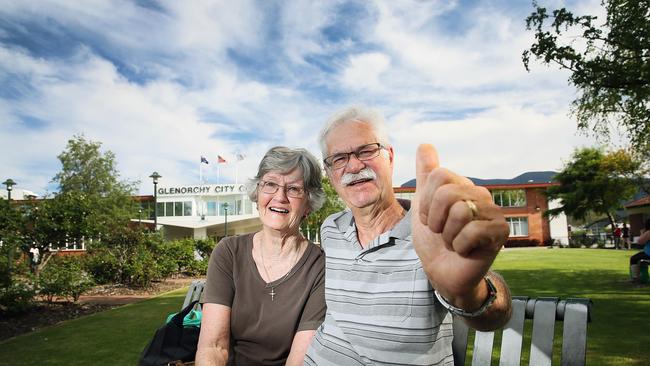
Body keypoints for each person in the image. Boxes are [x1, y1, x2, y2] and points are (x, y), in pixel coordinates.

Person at [305, 107, 513, 365]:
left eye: (366, 150)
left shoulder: (431, 230)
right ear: (329, 174)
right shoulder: (331, 228)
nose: (354, 165)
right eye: (339, 158)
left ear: (389, 157)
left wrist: (468, 293)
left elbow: (496, 315)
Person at [196, 146, 327, 366]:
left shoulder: (320, 266)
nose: (280, 197)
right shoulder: (228, 252)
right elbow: (213, 347)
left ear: (308, 204)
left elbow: (299, 360)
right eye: (270, 184)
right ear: (257, 194)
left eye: (294, 189)